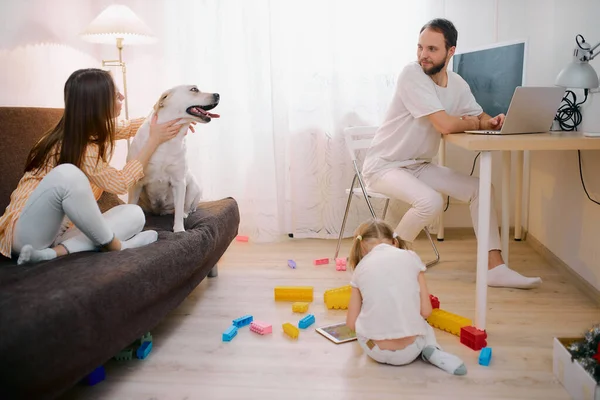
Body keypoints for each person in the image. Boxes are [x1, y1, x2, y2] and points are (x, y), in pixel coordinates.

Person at [361, 18, 541, 289]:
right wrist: (478, 123)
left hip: (418, 165)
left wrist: (497, 122)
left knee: (482, 188)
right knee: (430, 202)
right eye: (420, 47)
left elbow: (479, 115)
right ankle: (388, 260)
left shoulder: (456, 83)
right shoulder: (411, 74)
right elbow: (444, 125)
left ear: (451, 51)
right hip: (384, 166)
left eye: (432, 49)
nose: (423, 55)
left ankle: (495, 268)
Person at [0, 68, 186, 265]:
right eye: (116, 95)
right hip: (25, 234)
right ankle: (119, 245)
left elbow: (136, 126)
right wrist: (153, 141)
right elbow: (120, 183)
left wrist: (177, 122)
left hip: (62, 233)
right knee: (67, 173)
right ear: (98, 104)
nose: (122, 96)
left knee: (134, 213)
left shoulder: (94, 130)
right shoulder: (76, 145)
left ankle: (55, 253)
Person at [346, 219, 467, 375]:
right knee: (425, 325)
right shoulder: (412, 258)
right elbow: (426, 311)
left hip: (374, 350)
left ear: (361, 246)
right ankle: (431, 349)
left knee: (366, 320)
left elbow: (351, 324)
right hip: (411, 351)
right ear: (394, 242)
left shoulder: (360, 269)